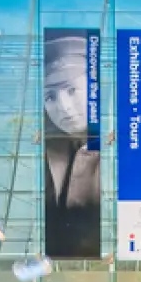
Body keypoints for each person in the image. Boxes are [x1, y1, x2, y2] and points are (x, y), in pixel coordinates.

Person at [43, 34, 101, 259]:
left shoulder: (129, 147)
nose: (63, 107)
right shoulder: (45, 151)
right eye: (50, 97)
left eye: (71, 90)